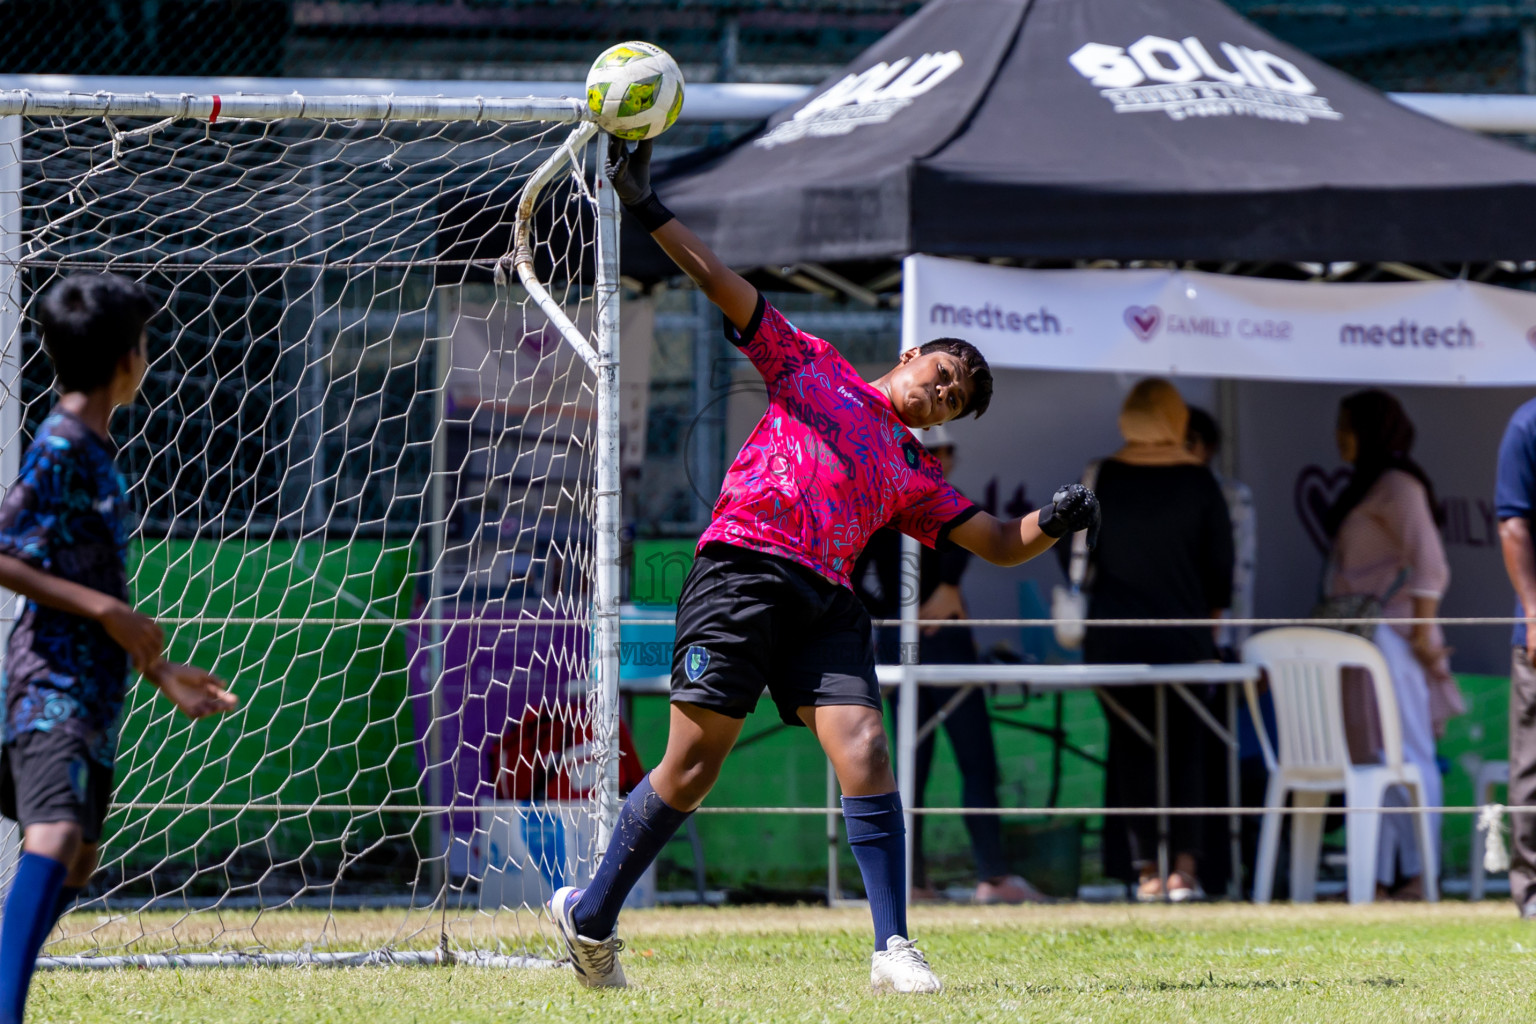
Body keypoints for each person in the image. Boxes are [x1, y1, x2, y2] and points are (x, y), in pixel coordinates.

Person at [548, 138, 1099, 994]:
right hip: (740, 570)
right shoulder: (813, 366)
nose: (940, 395)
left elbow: (994, 540)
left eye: (954, 401)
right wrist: (646, 206)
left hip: (825, 603)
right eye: (942, 375)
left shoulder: (913, 472)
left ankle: (894, 950)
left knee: (868, 749)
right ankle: (590, 918)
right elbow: (725, 288)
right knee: (691, 770)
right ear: (913, 353)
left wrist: (1051, 523)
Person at [0, 273, 238, 1024]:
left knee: (80, 856)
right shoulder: (62, 441)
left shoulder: (99, 450)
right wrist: (108, 609)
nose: (148, 356)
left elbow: (90, 578)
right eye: (144, 342)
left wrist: (160, 668)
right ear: (124, 358)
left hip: (98, 685)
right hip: (50, 686)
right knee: (58, 833)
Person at [851, 425, 1046, 906]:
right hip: (911, 646)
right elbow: (856, 572)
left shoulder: (946, 500)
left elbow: (982, 547)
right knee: (917, 762)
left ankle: (984, 876)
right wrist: (898, 617)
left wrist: (942, 593)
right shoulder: (887, 502)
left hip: (941, 643)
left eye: (945, 450)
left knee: (968, 756)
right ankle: (921, 881)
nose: (937, 458)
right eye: (926, 449)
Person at [1080, 379, 1233, 903]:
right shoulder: (1201, 484)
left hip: (1112, 640)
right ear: (1176, 420)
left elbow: (1073, 560)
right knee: (1187, 749)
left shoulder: (1100, 477)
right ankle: (1183, 871)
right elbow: (1222, 575)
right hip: (1185, 642)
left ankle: (1146, 869)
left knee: (1131, 752)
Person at [1323, 389, 1457, 901]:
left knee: (1412, 756)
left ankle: (1424, 878)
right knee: (1372, 758)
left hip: (1394, 636)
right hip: (1361, 638)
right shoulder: (1370, 484)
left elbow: (1431, 566)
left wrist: (1423, 637)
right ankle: (1376, 881)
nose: (1339, 437)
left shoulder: (1399, 486)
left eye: (1348, 426)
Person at [1497, 395, 1536, 920]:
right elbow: (1513, 524)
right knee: (1533, 763)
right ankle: (1532, 891)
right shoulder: (1527, 424)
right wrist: (1533, 610)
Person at [1186, 407, 1256, 655]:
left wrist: (1241, 647)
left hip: (1218, 637)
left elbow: (1240, 575)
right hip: (1168, 633)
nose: (1182, 450)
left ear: (1210, 446)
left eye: (1190, 441)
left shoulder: (1232, 495)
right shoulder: (1156, 493)